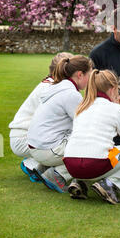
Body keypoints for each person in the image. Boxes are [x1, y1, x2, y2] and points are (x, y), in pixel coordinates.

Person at [63, 69, 120, 204]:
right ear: (112, 89)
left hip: (70, 164)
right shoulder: (115, 109)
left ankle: (80, 182)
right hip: (94, 164)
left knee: (106, 151)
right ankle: (111, 184)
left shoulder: (81, 107)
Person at [27, 55, 93, 193]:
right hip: (46, 149)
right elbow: (85, 124)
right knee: (91, 143)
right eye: (90, 74)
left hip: (37, 147)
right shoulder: (71, 94)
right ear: (80, 74)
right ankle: (58, 175)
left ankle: (43, 168)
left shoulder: (58, 87)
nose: (91, 79)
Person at [8, 52, 74, 182]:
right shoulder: (52, 88)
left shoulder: (51, 85)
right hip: (24, 138)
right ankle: (45, 169)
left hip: (21, 136)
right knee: (74, 142)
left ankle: (34, 165)